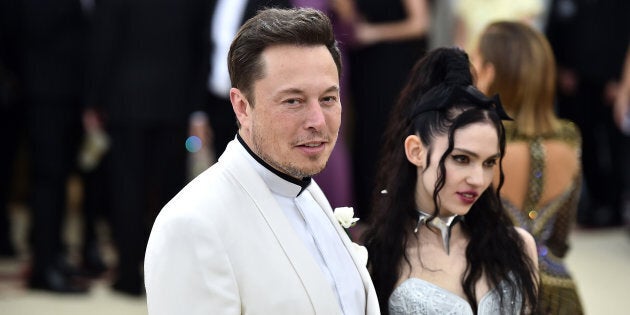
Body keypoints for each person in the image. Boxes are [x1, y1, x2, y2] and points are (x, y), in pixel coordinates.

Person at [144, 8, 379, 314]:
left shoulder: (308, 190)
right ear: (242, 107)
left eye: (328, 99)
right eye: (293, 100)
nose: (318, 121)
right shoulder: (191, 225)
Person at [362, 47, 539, 314]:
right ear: (416, 151)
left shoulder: (519, 245)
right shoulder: (378, 258)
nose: (479, 179)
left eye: (490, 162)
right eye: (461, 159)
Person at [88, 0, 212, 295]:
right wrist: (196, 107)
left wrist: (94, 99)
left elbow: (102, 42)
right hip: (175, 104)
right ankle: (166, 278)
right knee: (171, 197)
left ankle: (129, 276)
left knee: (126, 194)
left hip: (125, 102)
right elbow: (202, 48)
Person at [472, 20, 584, 314]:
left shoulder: (478, 144)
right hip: (560, 294)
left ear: (489, 72)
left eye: (474, 61)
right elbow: (559, 239)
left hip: (491, 290)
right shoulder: (569, 140)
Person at [545, 0, 630, 227]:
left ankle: (614, 205)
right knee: (580, 143)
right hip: (573, 85)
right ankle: (591, 203)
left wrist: (620, 82)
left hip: (609, 84)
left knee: (614, 147)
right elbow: (554, 30)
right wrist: (560, 69)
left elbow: (623, 34)